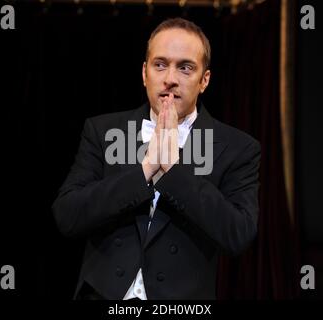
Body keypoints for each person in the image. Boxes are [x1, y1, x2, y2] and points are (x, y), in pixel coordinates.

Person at [52, 17, 261, 300]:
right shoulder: (103, 131)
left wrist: (174, 172)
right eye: (160, 64)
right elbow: (68, 216)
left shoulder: (238, 148)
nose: (170, 78)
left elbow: (237, 235)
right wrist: (146, 168)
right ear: (144, 73)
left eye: (185, 67)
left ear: (204, 80)